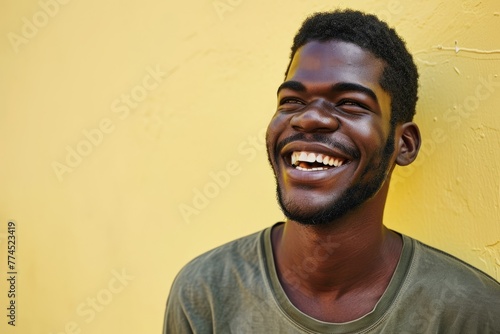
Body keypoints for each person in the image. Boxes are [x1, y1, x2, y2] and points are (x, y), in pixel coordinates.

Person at [163, 9, 500, 333]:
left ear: (404, 144)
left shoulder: (471, 313)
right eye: (292, 101)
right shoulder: (206, 293)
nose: (309, 118)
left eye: (350, 103)